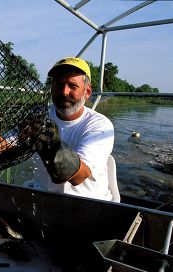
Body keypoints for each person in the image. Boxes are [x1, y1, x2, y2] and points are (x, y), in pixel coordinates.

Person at [32, 57, 115, 201]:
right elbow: (0, 147)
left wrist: (50, 145)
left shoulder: (100, 125)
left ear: (87, 92)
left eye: (72, 85)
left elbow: (79, 176)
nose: (64, 92)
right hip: (42, 197)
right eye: (59, 84)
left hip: (87, 203)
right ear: (51, 88)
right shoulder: (38, 115)